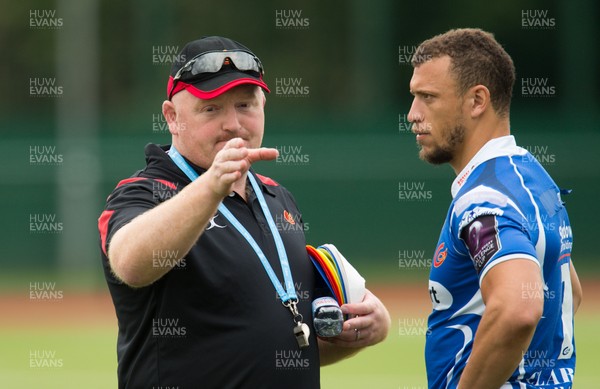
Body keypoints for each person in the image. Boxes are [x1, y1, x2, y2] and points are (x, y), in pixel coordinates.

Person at [98, 35, 390, 388]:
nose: (233, 124)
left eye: (245, 106)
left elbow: (287, 343)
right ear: (172, 117)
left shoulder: (276, 197)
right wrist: (212, 185)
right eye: (211, 109)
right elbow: (129, 263)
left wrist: (365, 329)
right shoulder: (144, 192)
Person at [406, 28, 582, 388]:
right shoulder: (535, 179)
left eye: (428, 97)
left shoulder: (483, 199)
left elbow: (519, 308)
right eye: (414, 97)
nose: (412, 114)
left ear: (477, 101)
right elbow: (569, 293)